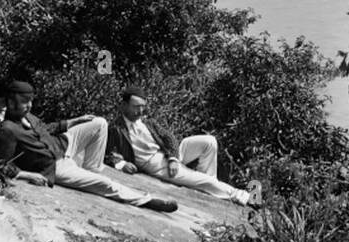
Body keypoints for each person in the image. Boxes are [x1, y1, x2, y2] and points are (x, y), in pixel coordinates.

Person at [0, 81, 177, 213]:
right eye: (24, 101)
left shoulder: (28, 116)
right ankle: (146, 200)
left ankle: (93, 169)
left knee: (99, 123)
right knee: (105, 184)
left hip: (62, 146)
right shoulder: (7, 130)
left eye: (30, 101)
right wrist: (28, 175)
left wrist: (74, 121)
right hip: (54, 166)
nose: (29, 105)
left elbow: (47, 129)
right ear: (10, 102)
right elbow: (0, 165)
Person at [106, 87, 261, 207]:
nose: (140, 111)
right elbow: (107, 152)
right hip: (155, 164)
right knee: (205, 180)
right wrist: (122, 164)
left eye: (142, 107)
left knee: (209, 141)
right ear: (124, 105)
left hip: (168, 157)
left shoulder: (147, 122)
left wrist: (173, 158)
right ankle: (243, 197)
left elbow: (169, 138)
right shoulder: (116, 128)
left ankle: (205, 185)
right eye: (136, 107)